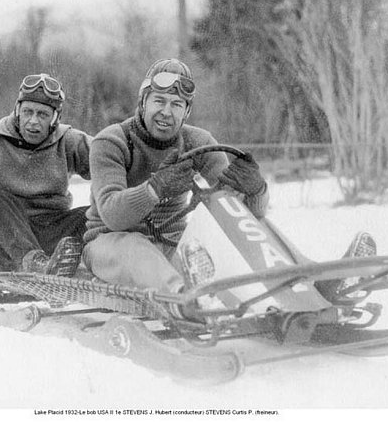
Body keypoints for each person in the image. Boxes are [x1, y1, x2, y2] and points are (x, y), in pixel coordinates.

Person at [81, 58, 270, 297]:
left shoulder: (198, 142)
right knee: (134, 248)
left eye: (177, 104)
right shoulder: (112, 141)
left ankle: (295, 280)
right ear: (143, 103)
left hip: (172, 243)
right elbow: (112, 216)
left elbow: (234, 214)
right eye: (158, 101)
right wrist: (155, 189)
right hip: (110, 244)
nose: (166, 112)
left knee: (252, 228)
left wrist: (255, 192)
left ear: (187, 111)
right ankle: (184, 299)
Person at [0, 73, 91, 276]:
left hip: (51, 229)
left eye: (43, 115)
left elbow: (109, 160)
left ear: (55, 119)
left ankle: (98, 263)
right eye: (28, 112)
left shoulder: (68, 141)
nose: (33, 122)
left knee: (95, 215)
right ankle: (34, 263)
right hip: (3, 236)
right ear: (17, 111)